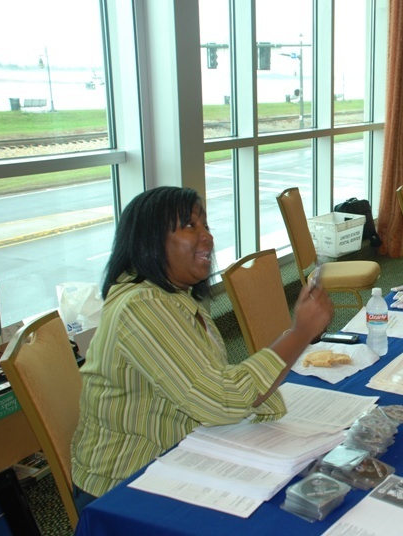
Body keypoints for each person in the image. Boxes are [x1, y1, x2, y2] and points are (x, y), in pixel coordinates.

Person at [70, 187, 333, 508]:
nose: (207, 237)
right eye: (189, 226)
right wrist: (299, 333)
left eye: (205, 226)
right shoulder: (142, 305)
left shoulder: (174, 297)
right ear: (150, 240)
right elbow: (220, 400)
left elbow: (214, 385)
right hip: (128, 483)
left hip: (180, 454)